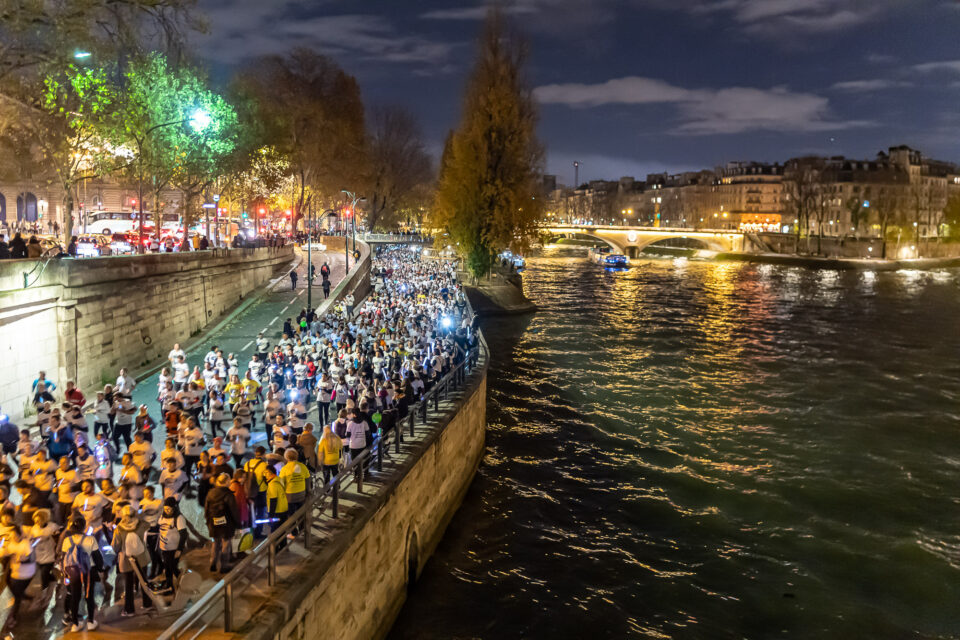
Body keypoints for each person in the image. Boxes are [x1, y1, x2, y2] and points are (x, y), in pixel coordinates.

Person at [60, 515, 104, 632]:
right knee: (89, 596)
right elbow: (97, 557)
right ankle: (90, 622)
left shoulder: (66, 541)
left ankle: (75, 624)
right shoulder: (90, 539)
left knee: (75, 596)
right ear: (84, 527)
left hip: (73, 572)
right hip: (88, 571)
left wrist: (65, 575)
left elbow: (64, 558)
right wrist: (100, 569)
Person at [111, 504, 151, 616]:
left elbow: (115, 546)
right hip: (141, 557)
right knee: (144, 581)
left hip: (127, 560)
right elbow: (148, 525)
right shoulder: (141, 524)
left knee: (128, 585)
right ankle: (147, 603)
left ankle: (129, 610)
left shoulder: (119, 529)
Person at [0, 523, 36, 633]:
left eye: (14, 535)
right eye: (11, 536)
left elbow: (31, 559)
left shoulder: (25, 544)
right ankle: (24, 597)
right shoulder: (11, 544)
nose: (12, 537)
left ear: (20, 535)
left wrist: (22, 559)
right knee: (14, 590)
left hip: (25, 574)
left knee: (16, 596)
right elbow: (4, 553)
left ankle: (13, 618)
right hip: (15, 573)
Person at [204, 473, 239, 573]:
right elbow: (234, 510)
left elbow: (206, 509)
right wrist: (237, 523)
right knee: (226, 543)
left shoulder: (211, 493)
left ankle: (213, 563)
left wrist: (208, 521)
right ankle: (224, 566)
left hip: (213, 522)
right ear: (227, 481)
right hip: (226, 523)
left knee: (216, 542)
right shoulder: (228, 494)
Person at [156, 497, 187, 591]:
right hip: (164, 547)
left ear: (174, 507)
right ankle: (170, 585)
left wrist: (179, 549)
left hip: (174, 548)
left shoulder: (179, 518)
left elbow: (183, 534)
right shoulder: (162, 515)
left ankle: (184, 584)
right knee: (167, 567)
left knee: (172, 567)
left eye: (169, 509)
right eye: (165, 509)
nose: (167, 511)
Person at [278, 448, 310, 518]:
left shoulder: (284, 469)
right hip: (301, 495)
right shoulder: (303, 466)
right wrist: (308, 492)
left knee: (290, 515)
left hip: (289, 496)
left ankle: (293, 528)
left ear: (286, 457)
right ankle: (302, 527)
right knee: (301, 514)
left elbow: (281, 484)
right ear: (296, 456)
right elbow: (307, 480)